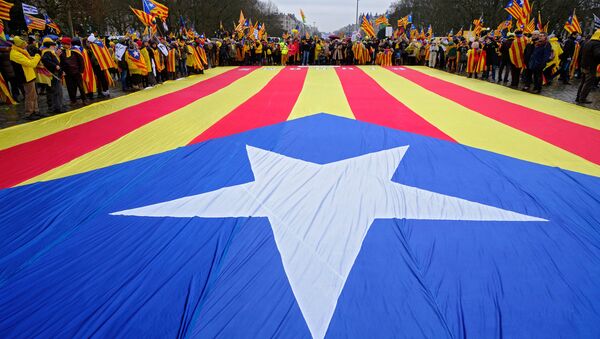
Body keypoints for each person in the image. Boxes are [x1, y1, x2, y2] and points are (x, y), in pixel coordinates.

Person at [9, 36, 41, 119]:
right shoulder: (15, 54)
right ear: (19, 45)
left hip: (30, 75)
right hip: (25, 77)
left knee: (34, 95)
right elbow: (31, 64)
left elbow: (30, 59)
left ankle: (35, 111)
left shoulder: (21, 51)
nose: (26, 45)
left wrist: (36, 57)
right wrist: (38, 56)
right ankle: (29, 113)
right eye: (24, 44)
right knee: (29, 96)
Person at [60, 36, 87, 104]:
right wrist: (62, 70)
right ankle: (73, 100)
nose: (63, 45)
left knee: (80, 86)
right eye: (62, 44)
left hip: (76, 72)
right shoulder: (61, 52)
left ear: (68, 44)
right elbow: (61, 62)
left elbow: (81, 61)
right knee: (70, 87)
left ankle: (84, 99)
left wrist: (81, 71)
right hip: (67, 73)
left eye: (64, 44)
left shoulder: (75, 50)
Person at [576, 30, 600, 104]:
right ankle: (582, 98)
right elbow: (598, 55)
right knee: (588, 83)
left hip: (584, 65)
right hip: (591, 66)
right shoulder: (597, 44)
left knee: (583, 82)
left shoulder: (588, 42)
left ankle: (578, 97)